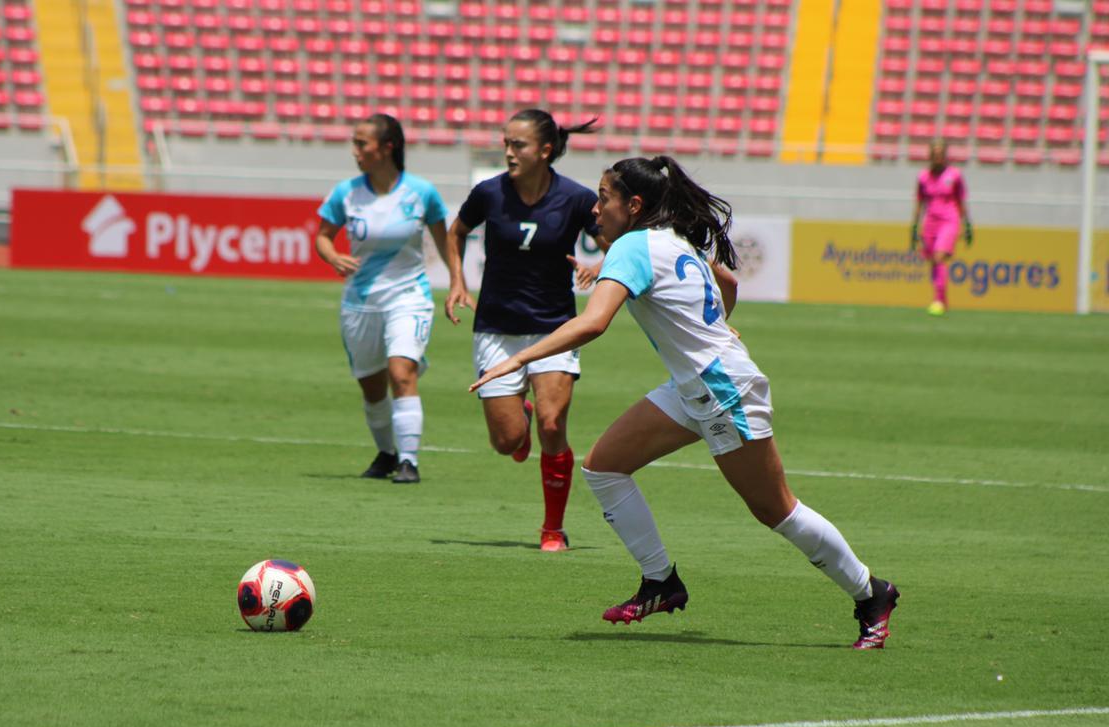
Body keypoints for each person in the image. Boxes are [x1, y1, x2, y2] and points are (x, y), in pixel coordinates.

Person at [470, 156, 899, 649]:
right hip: (698, 382)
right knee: (605, 465)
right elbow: (730, 284)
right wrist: (717, 327)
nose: (594, 209)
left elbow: (592, 323)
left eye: (604, 197)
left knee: (775, 509)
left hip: (719, 387)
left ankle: (872, 593)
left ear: (634, 205)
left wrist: (516, 360)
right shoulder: (671, 238)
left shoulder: (632, 244)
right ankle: (660, 582)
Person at [445, 109, 611, 552]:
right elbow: (456, 231)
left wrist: (599, 265)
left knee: (553, 423)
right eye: (505, 143)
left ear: (545, 150)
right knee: (507, 442)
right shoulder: (489, 193)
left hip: (554, 327)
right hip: (496, 329)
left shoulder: (575, 199)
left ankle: (552, 529)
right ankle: (520, 419)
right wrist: (457, 282)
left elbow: (618, 239)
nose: (507, 152)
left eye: (517, 145)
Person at [315, 114, 452, 484]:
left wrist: (458, 282)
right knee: (371, 386)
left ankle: (409, 461)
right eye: (355, 142)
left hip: (408, 295)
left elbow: (445, 239)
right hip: (360, 301)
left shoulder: (421, 192)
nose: (355, 151)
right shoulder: (346, 192)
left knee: (401, 372)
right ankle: (387, 453)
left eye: (362, 143)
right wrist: (331, 256)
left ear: (387, 147)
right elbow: (323, 235)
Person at [911, 140, 972, 317]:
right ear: (930, 156)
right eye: (934, 154)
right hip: (930, 221)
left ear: (945, 156)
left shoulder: (954, 175)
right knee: (933, 261)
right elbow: (919, 203)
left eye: (940, 154)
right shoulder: (923, 177)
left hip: (949, 220)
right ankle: (942, 301)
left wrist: (967, 225)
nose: (938, 158)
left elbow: (961, 201)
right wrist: (914, 227)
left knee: (939, 257)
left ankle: (938, 300)